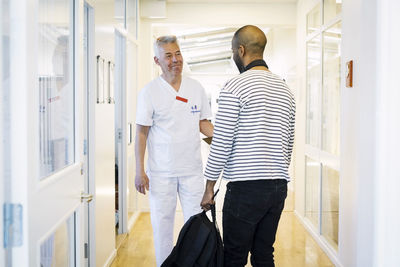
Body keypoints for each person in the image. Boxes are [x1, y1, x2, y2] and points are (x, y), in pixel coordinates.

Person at [201, 25, 296, 267]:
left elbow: (222, 141)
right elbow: (288, 142)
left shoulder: (235, 87)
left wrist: (209, 187)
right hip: (277, 187)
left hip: (245, 189)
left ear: (241, 50)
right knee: (264, 254)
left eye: (234, 51)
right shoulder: (286, 90)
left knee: (234, 257)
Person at [135, 35, 214, 266]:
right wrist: (139, 171)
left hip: (191, 171)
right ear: (157, 60)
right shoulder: (149, 92)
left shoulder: (195, 87)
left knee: (197, 226)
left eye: (177, 53)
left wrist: (223, 138)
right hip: (161, 173)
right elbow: (141, 133)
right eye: (168, 55)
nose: (175, 59)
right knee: (162, 228)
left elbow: (203, 123)